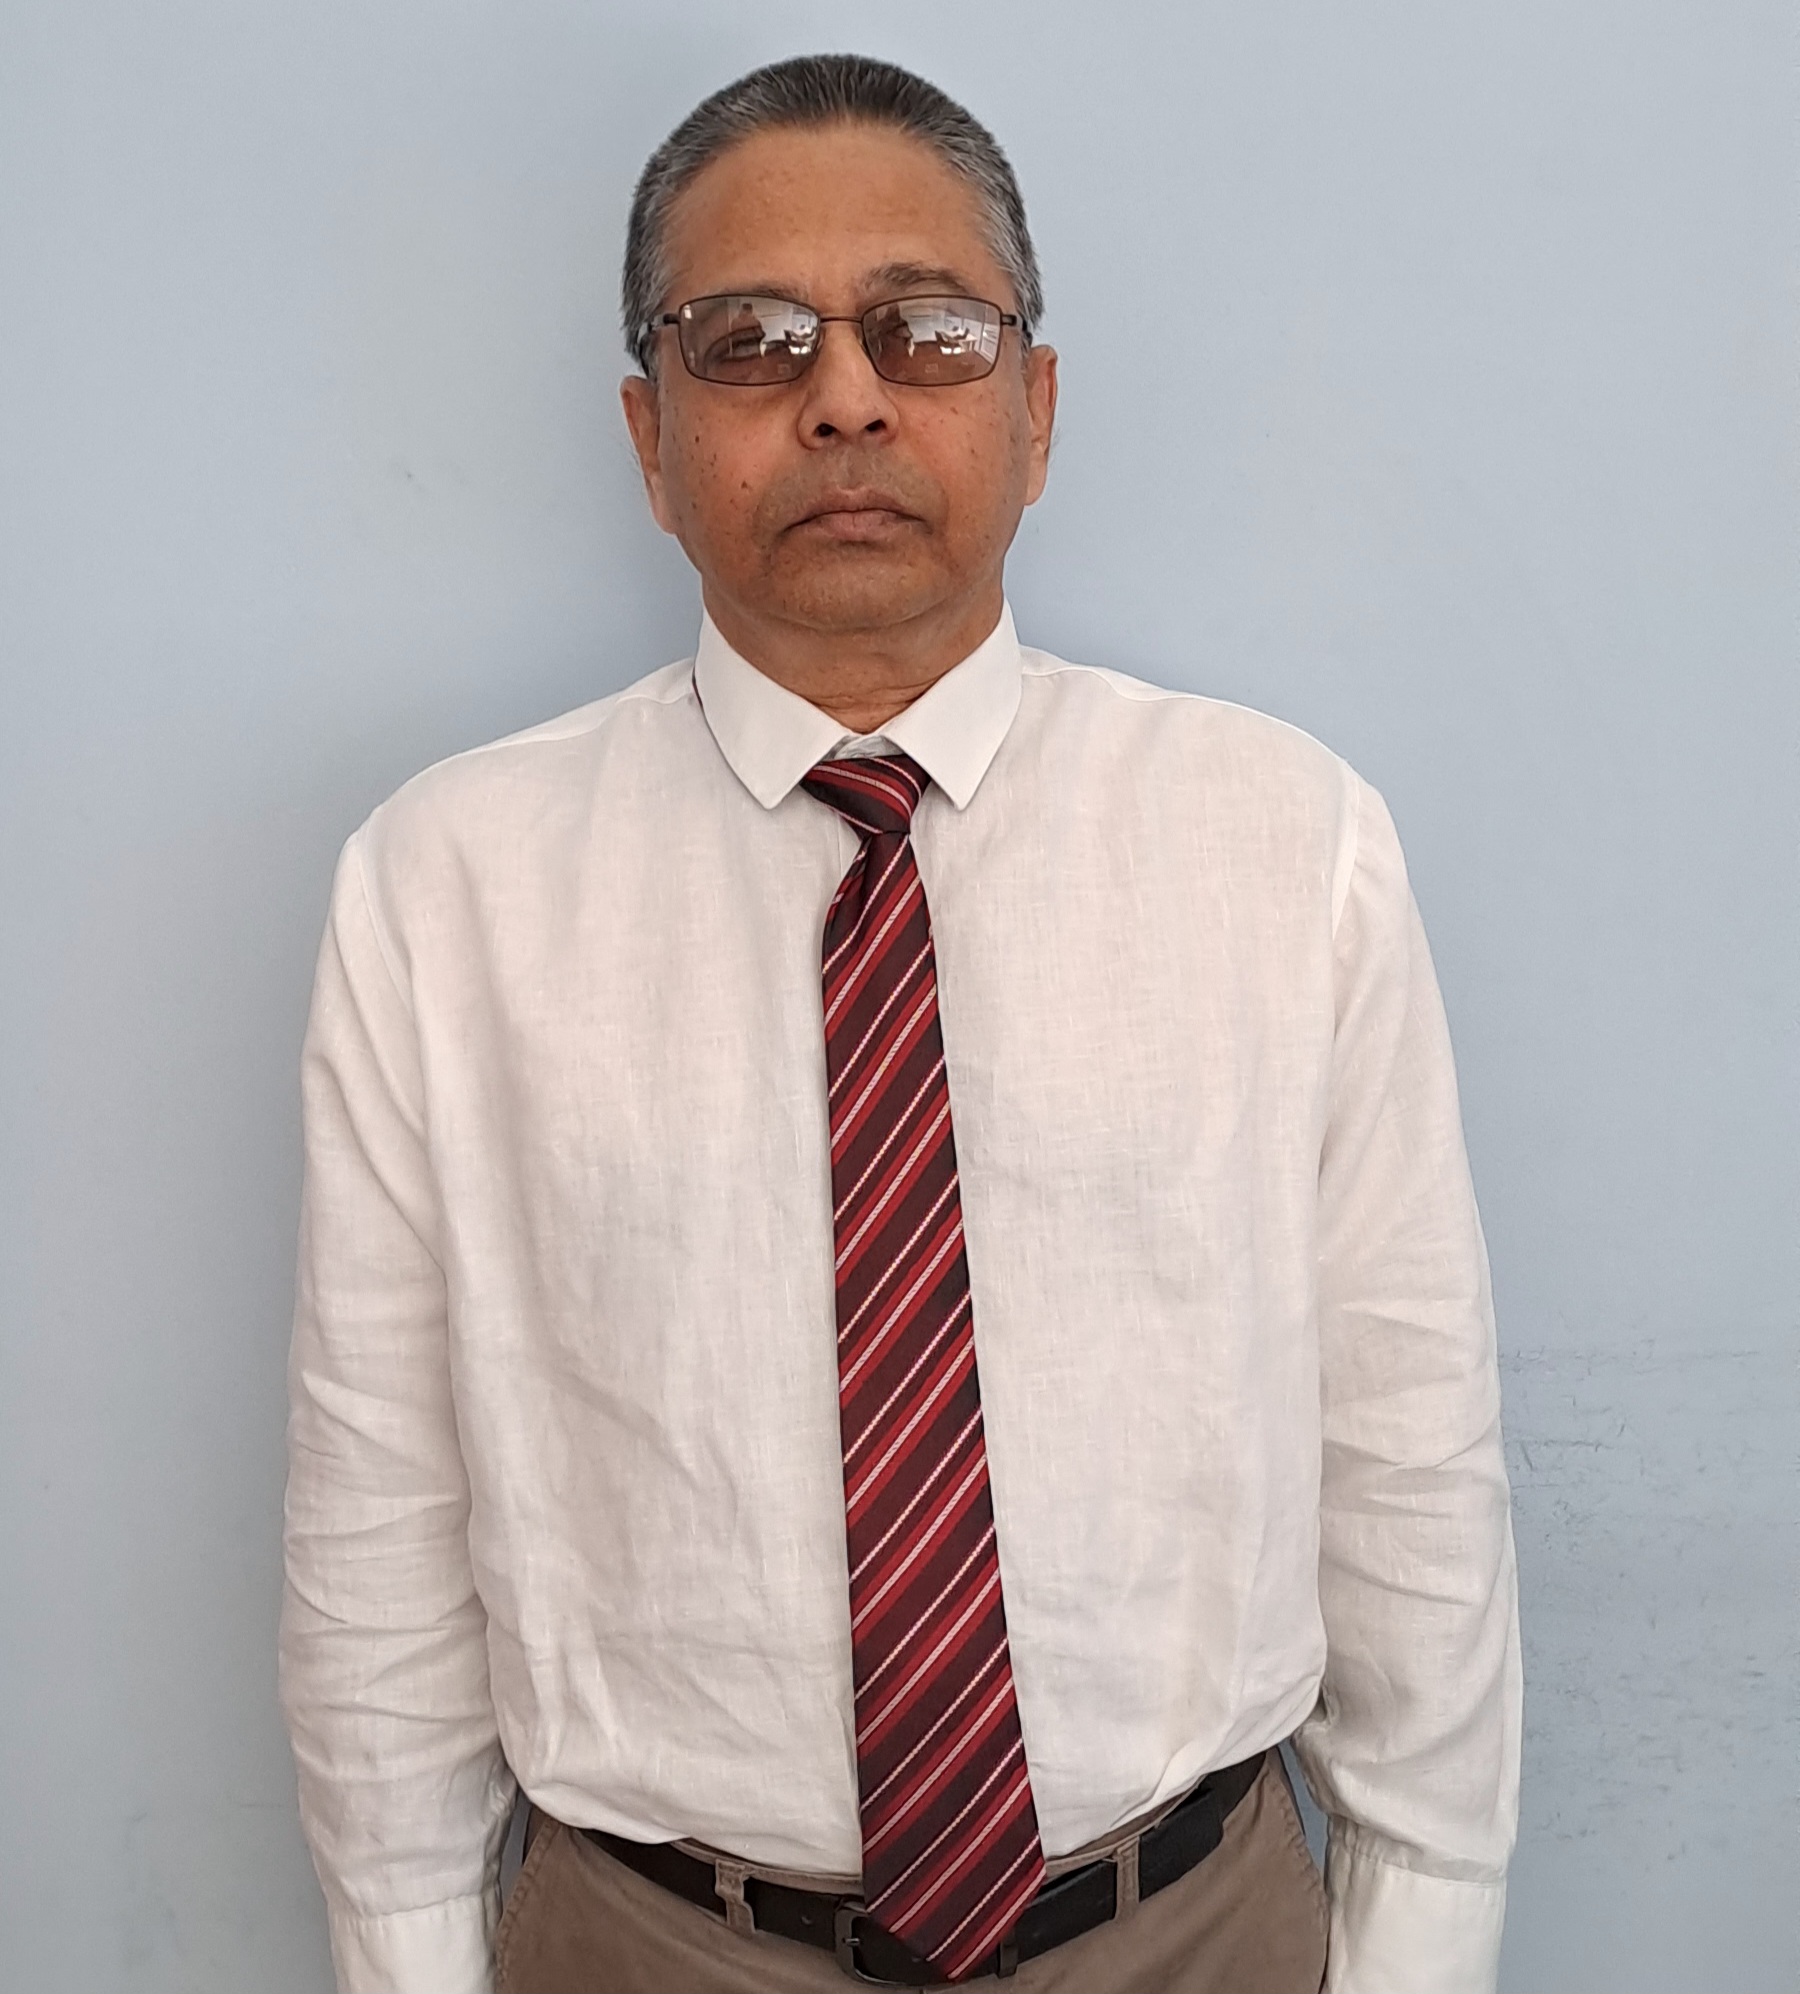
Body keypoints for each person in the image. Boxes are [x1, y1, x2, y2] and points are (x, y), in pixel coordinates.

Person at [279, 52, 1520, 1994]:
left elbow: (1409, 1452)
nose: (844, 392)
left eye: (925, 330)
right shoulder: (448, 888)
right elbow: (382, 1518)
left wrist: (1424, 1938)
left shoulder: (1290, 844)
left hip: (1191, 1927)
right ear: (647, 431)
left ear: (1034, 409)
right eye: (751, 340)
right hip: (654, 1939)